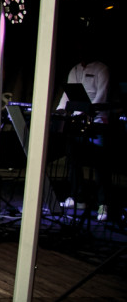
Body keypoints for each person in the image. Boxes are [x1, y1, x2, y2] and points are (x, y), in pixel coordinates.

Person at [57, 50, 111, 221]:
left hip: (97, 122)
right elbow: (67, 95)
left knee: (99, 164)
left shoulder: (102, 69)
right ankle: (78, 198)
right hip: (76, 121)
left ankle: (104, 203)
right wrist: (60, 110)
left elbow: (101, 96)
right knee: (73, 159)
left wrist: (88, 113)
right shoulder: (74, 70)